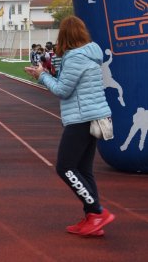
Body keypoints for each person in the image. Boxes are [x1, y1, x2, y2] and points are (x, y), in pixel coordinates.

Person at [25, 16, 115, 237]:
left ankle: (97, 211)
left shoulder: (75, 58)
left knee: (64, 167)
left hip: (82, 118)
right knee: (84, 170)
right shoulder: (91, 54)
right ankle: (93, 218)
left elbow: (62, 90)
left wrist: (42, 76)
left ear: (64, 36)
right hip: (92, 116)